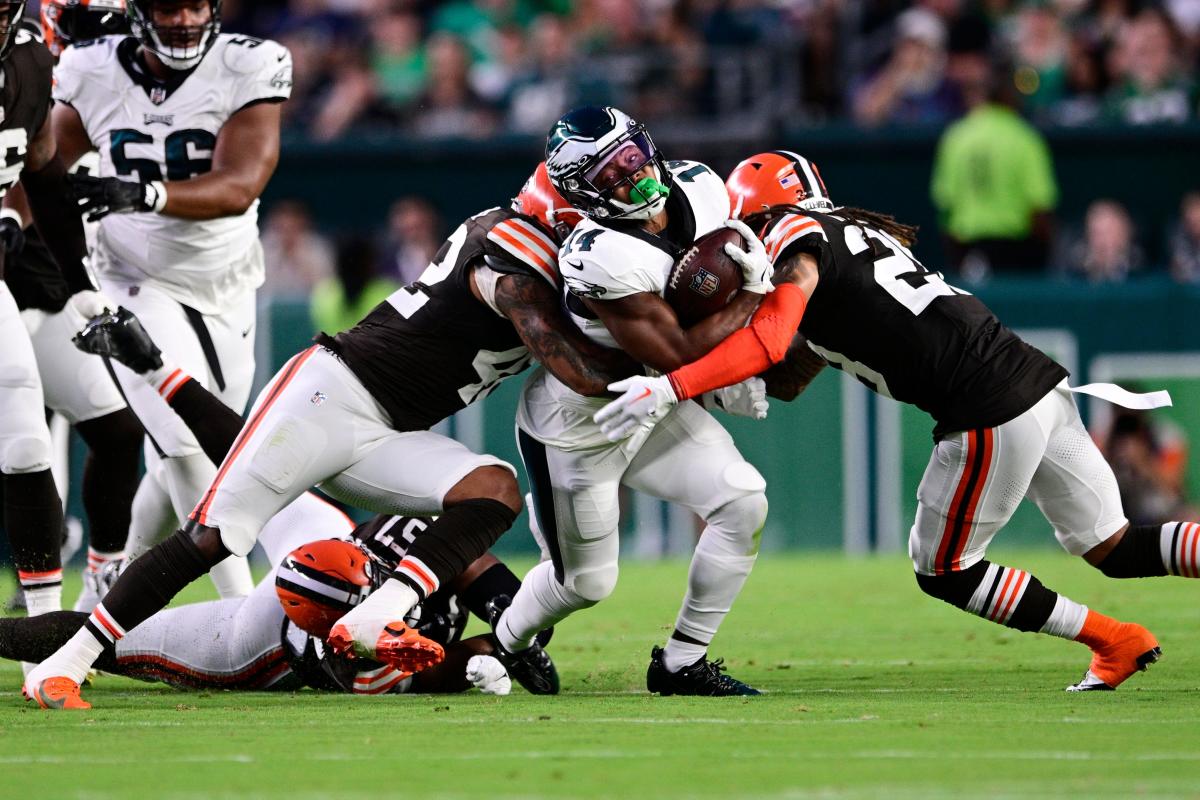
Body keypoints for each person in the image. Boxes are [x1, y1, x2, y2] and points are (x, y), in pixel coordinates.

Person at [23, 163, 629, 709]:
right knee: (212, 537)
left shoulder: (536, 250)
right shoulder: (513, 260)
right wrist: (676, 374)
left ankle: (380, 615)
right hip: (331, 397)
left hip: (387, 429)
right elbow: (572, 365)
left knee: (493, 489)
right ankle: (62, 667)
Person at [597, 150, 1193, 692]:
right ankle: (1118, 643)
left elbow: (774, 338)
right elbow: (794, 366)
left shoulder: (792, 235)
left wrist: (673, 383)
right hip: (1034, 380)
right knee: (1113, 547)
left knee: (943, 569)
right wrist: (727, 380)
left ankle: (1113, 640)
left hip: (987, 405)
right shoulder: (854, 236)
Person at [492, 106, 773, 697]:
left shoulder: (699, 186)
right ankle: (505, 642)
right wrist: (749, 299)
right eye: (610, 175)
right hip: (579, 424)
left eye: (632, 157)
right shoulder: (598, 252)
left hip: (651, 406)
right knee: (585, 585)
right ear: (580, 194)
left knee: (742, 501)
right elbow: (675, 351)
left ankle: (681, 664)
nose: (634, 177)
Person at [49, 0, 296, 600]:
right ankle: (248, 615)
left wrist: (141, 192)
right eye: (167, 5)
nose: (183, 18)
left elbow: (240, 185)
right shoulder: (87, 67)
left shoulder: (251, 62)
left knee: (187, 459)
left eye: (195, 4)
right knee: (186, 447)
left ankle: (102, 597)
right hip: (131, 277)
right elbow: (45, 167)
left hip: (226, 277)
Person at [0, 0, 143, 615]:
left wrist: (83, 284)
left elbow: (39, 170)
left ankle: (52, 631)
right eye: (88, 25)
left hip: (37, 274)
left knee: (75, 434)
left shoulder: (30, 57)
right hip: (18, 265)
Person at [930, 60, 1058, 276]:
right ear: (1010, 95)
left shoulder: (956, 137)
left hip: (969, 253)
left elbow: (945, 209)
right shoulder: (1025, 138)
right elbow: (1040, 208)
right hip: (1018, 254)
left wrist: (957, 258)